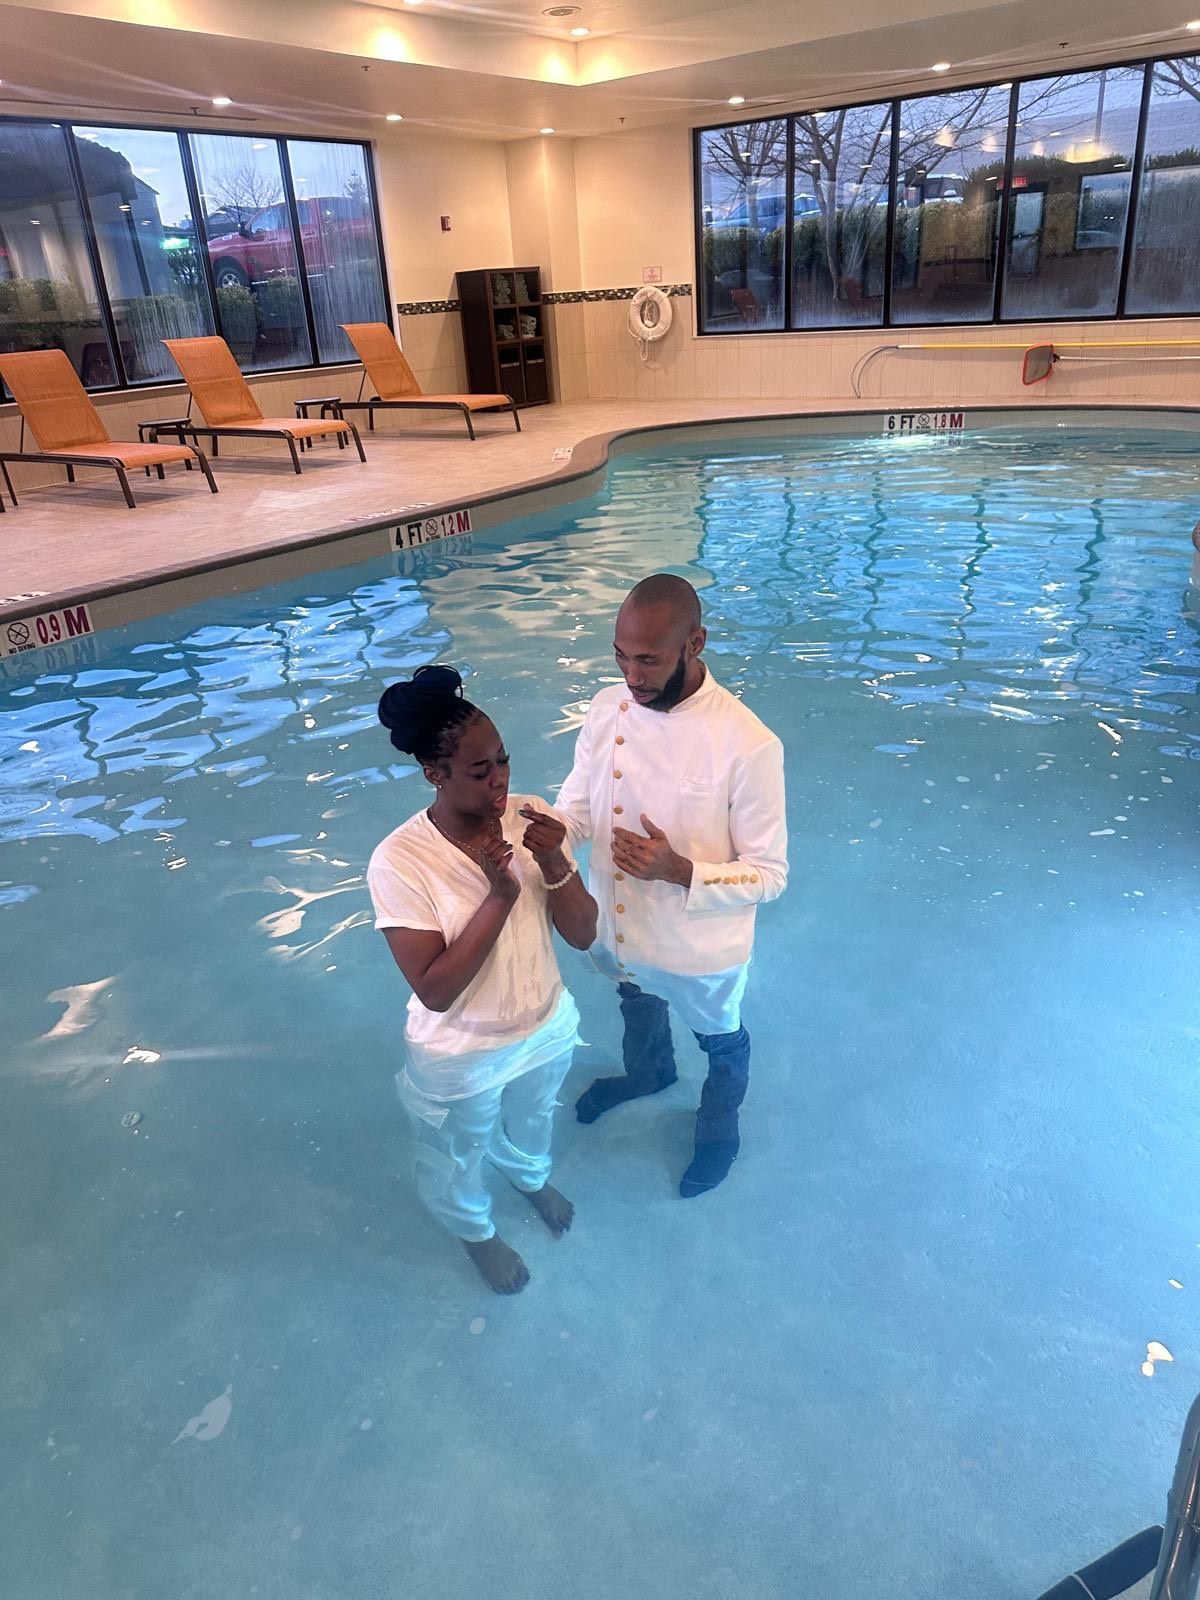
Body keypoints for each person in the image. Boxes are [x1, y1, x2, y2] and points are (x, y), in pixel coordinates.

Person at [554, 574, 787, 1198]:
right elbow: (577, 804)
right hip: (617, 918)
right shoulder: (608, 708)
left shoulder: (749, 743)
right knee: (632, 994)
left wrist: (680, 870)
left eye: (649, 659)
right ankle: (650, 1072)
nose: (632, 676)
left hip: (698, 946)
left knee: (721, 1038)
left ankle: (719, 1126)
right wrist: (544, 832)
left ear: (696, 643)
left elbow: (770, 875)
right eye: (622, 656)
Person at [367, 665, 597, 1294]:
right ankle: (475, 1231)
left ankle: (527, 1175)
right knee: (458, 1152)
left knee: (536, 1116)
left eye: (503, 760)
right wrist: (498, 895)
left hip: (545, 1022)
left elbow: (583, 934)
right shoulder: (400, 861)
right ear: (434, 774)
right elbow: (435, 991)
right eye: (479, 771)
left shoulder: (532, 819)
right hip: (462, 1049)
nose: (500, 781)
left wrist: (551, 861)